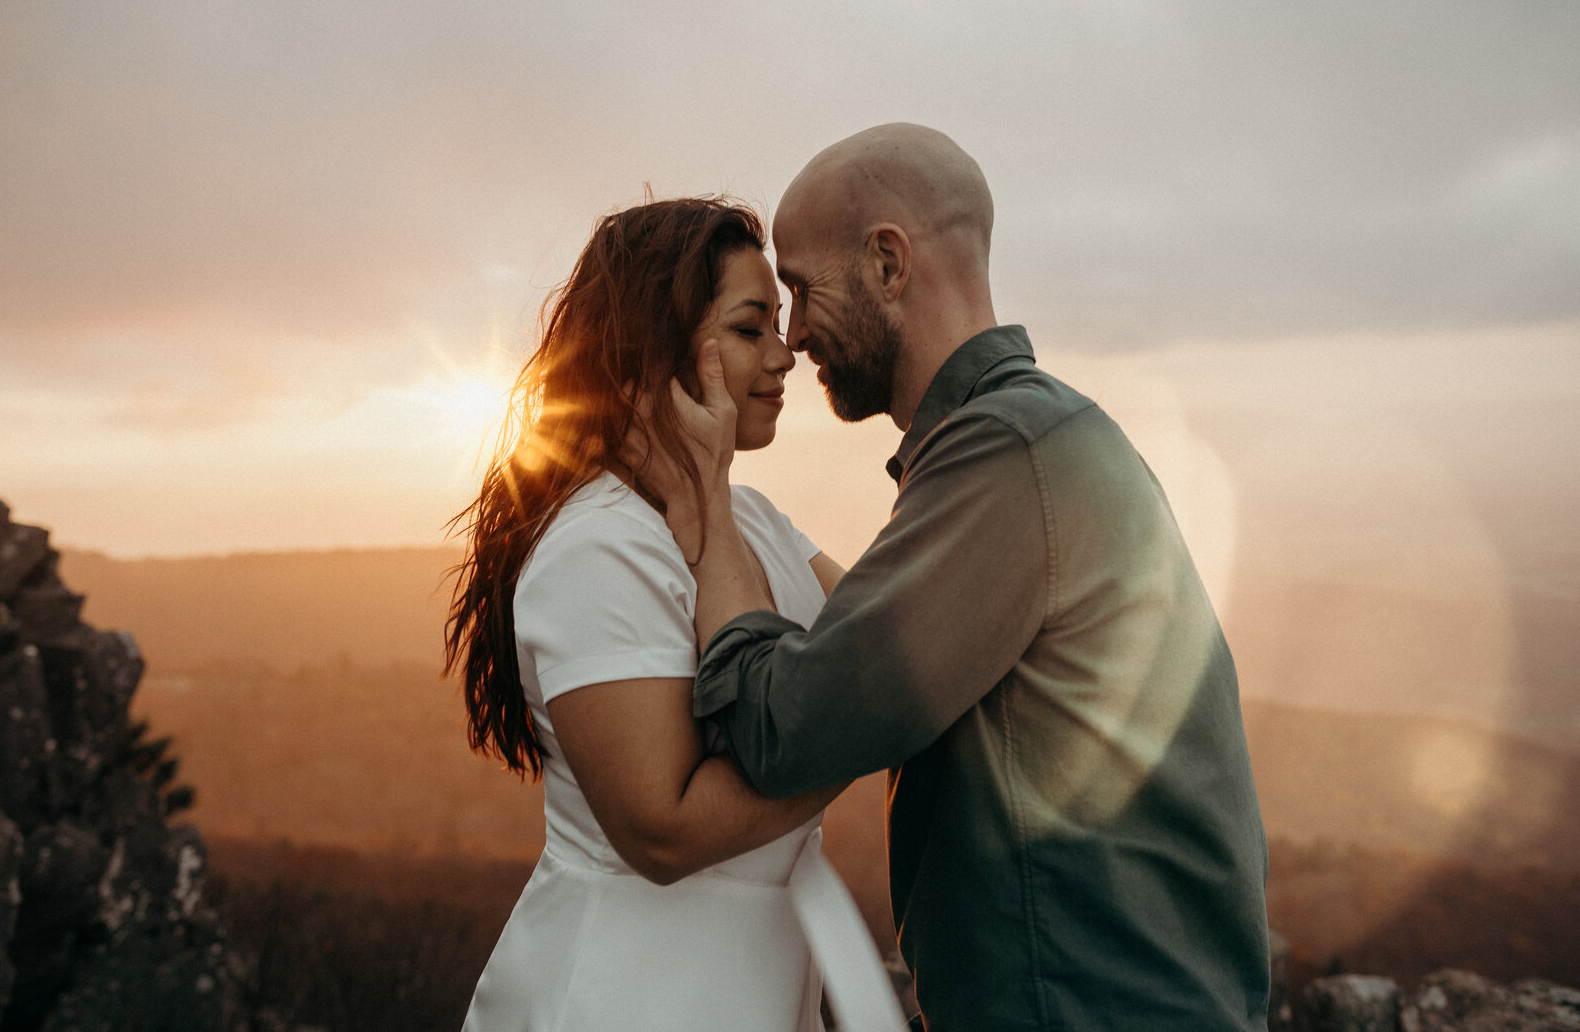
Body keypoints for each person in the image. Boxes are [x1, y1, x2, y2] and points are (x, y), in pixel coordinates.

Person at [639, 125, 1272, 1031]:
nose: (800, 332)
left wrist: (708, 502)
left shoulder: (1006, 452)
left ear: (889, 263)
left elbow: (783, 729)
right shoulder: (1043, 436)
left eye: (805, 290)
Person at [445, 197, 903, 1032]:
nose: (785, 354)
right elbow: (663, 828)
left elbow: (890, 628)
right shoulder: (598, 546)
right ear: (662, 348)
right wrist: (869, 723)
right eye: (750, 328)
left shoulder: (755, 516)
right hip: (628, 990)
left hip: (758, 982)